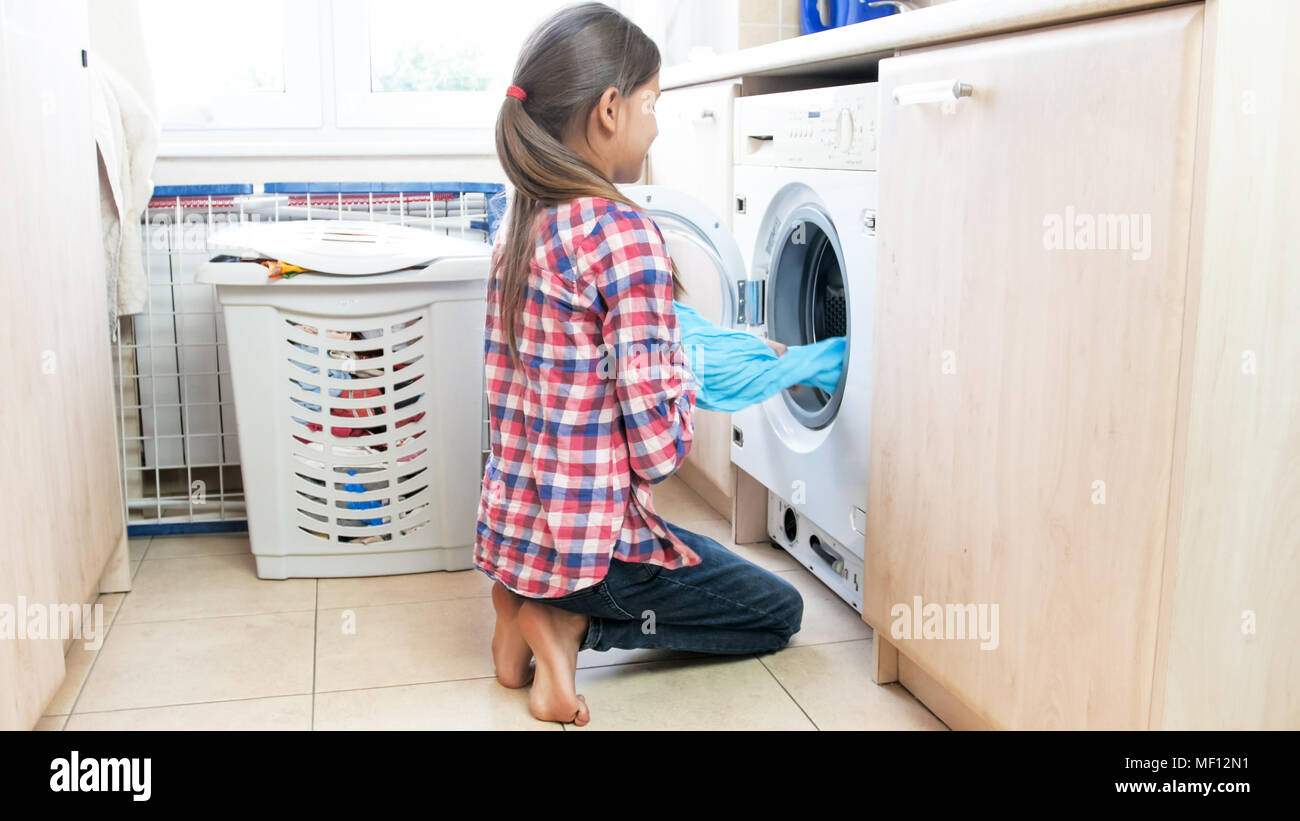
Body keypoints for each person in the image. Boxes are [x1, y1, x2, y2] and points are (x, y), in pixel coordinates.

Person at [477, 1, 804, 727]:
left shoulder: (522, 220)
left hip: (516, 531)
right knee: (778, 610)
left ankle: (518, 609)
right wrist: (693, 370)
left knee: (695, 552)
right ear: (609, 109)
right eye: (653, 105)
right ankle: (564, 625)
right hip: (590, 549)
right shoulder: (625, 234)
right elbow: (657, 452)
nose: (656, 126)